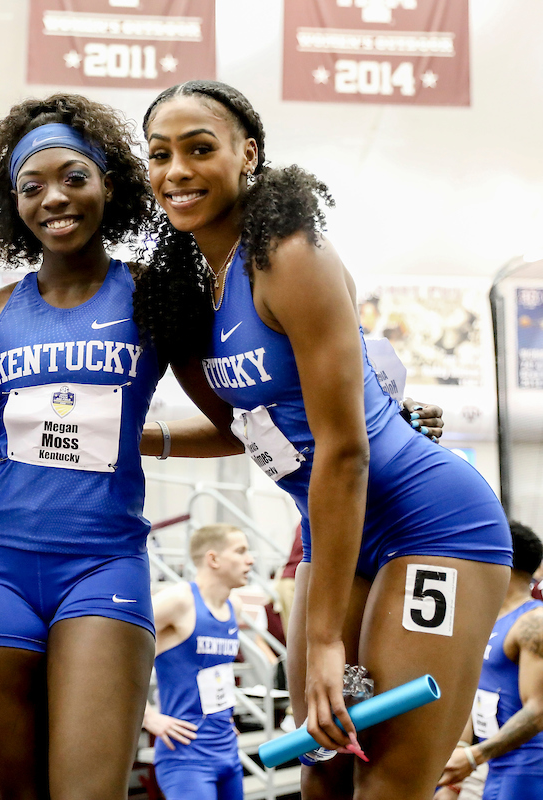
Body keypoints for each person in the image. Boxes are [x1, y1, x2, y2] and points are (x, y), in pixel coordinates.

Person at [133, 79, 512, 799]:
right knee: (324, 773)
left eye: (199, 148)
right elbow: (241, 431)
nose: (176, 170)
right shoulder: (190, 293)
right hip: (337, 532)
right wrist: (130, 439)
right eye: (159, 154)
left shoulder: (288, 255)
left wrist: (328, 639)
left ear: (247, 154)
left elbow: (344, 450)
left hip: (430, 524)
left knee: (389, 780)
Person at [0, 94, 162, 800]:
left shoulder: (153, 297)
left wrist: (147, 437)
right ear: (13, 204)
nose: (53, 199)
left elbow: (242, 409)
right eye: (31, 187)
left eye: (73, 177)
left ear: (109, 184)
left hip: (103, 566)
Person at [145, 524, 255, 800]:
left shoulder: (235, 607)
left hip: (227, 749)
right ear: (213, 559)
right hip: (186, 758)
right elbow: (115, 656)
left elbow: (214, 673)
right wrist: (147, 717)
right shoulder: (178, 600)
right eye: (240, 551)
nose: (250, 559)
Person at [435, 520, 543, 800]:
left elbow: (540, 709)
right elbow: (477, 695)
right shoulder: (486, 623)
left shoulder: (534, 621)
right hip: (496, 766)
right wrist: (456, 774)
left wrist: (474, 756)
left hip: (530, 769)